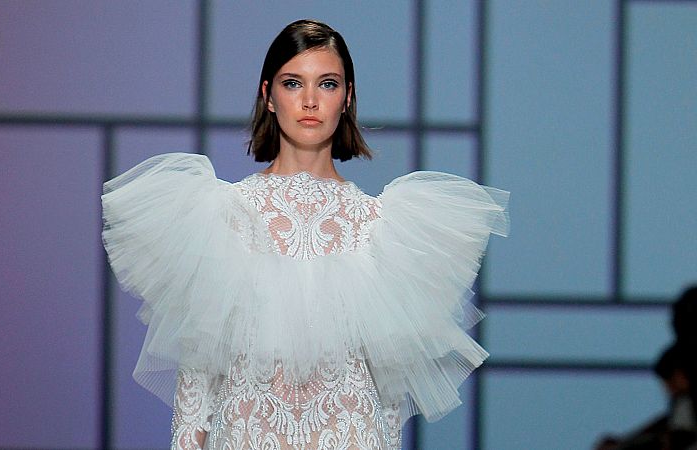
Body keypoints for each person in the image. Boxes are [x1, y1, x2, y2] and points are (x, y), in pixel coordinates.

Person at [102, 19, 509, 450]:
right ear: (268, 96)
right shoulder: (222, 215)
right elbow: (197, 384)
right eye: (293, 83)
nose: (310, 100)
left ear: (347, 98)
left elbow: (388, 396)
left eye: (327, 84)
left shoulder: (381, 226)